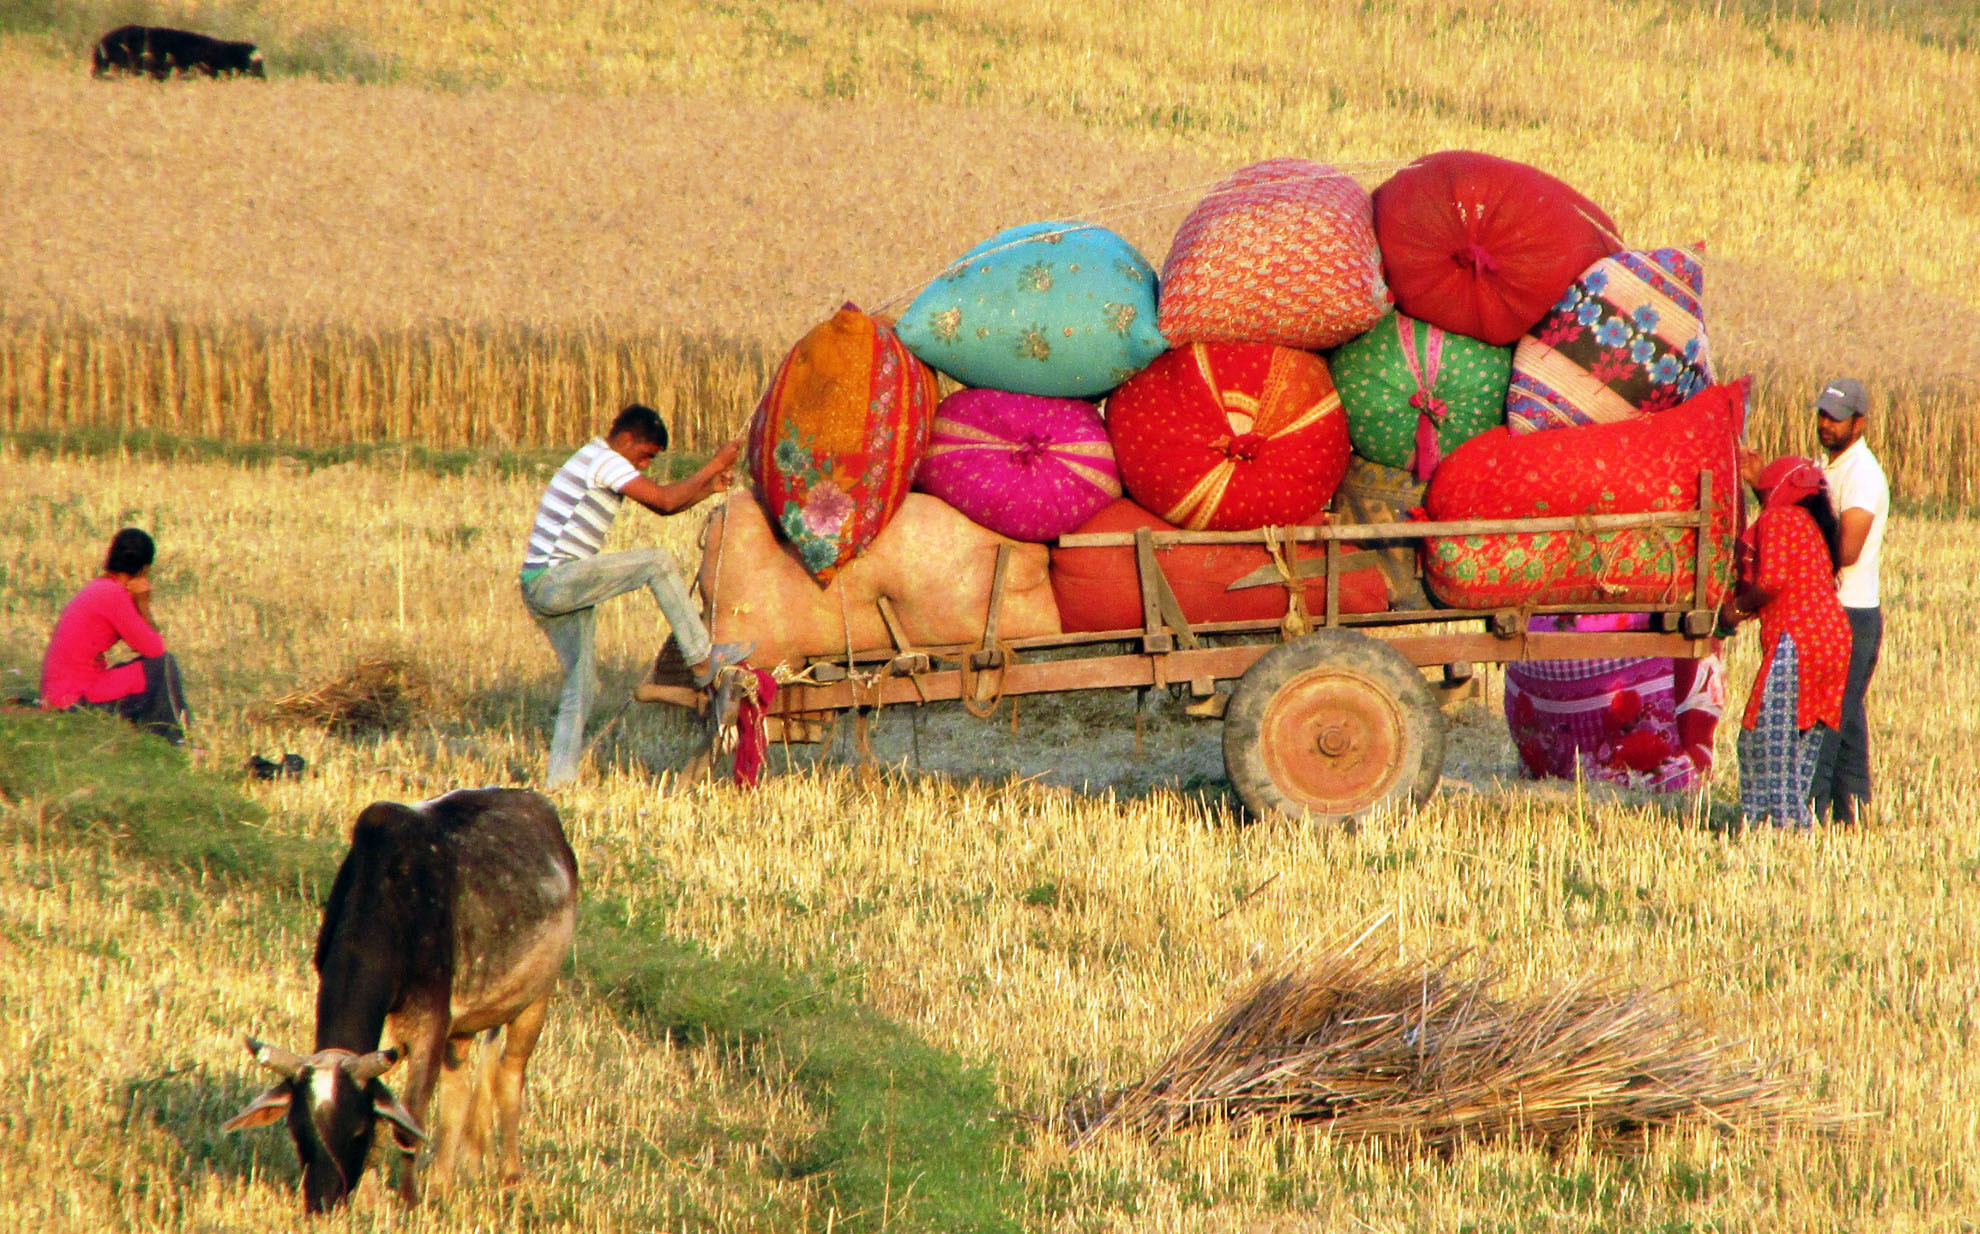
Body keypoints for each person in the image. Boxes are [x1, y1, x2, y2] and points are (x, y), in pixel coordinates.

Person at [521, 403, 751, 787]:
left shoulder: (595, 459)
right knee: (657, 562)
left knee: (582, 686)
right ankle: (700, 658)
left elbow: (668, 505)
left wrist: (706, 488)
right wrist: (713, 465)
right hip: (556, 580)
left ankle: (558, 783)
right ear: (626, 439)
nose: (643, 467)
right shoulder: (604, 460)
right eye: (644, 456)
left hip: (540, 585)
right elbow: (661, 500)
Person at [1719, 454, 1851, 830]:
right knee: (1801, 737)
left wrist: (1736, 609)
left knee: (1764, 739)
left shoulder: (1778, 519)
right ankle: (1791, 821)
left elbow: (1772, 580)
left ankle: (1777, 824)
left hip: (1799, 638)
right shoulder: (1811, 523)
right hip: (1833, 639)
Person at [1809, 378, 1888, 824]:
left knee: (1834, 712)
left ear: (1858, 423)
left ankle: (1819, 805)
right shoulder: (1830, 466)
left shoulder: (1862, 476)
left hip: (1852, 611)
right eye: (1822, 415)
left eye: (1835, 419)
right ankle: (1851, 812)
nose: (1826, 424)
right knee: (1847, 713)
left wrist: (1798, 547)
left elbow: (1847, 552)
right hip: (1833, 608)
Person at [40, 528, 192, 745]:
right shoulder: (114, 596)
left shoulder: (99, 588)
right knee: (163, 665)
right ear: (145, 569)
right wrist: (143, 604)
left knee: (134, 669)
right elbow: (155, 650)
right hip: (73, 699)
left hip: (59, 692)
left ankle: (157, 736)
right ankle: (177, 740)